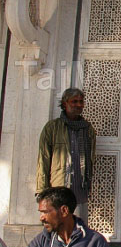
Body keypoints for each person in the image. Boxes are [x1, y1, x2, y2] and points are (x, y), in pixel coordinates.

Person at [36, 88, 96, 221]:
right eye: (74, 101)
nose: (78, 105)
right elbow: (44, 159)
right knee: (56, 222)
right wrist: (41, 190)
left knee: (76, 224)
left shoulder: (87, 129)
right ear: (64, 104)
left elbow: (90, 159)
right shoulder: (52, 128)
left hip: (79, 185)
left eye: (81, 102)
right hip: (59, 185)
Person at [23, 187, 112, 247]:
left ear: (64, 211)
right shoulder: (40, 242)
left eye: (45, 212)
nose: (41, 218)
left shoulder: (94, 242)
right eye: (41, 213)